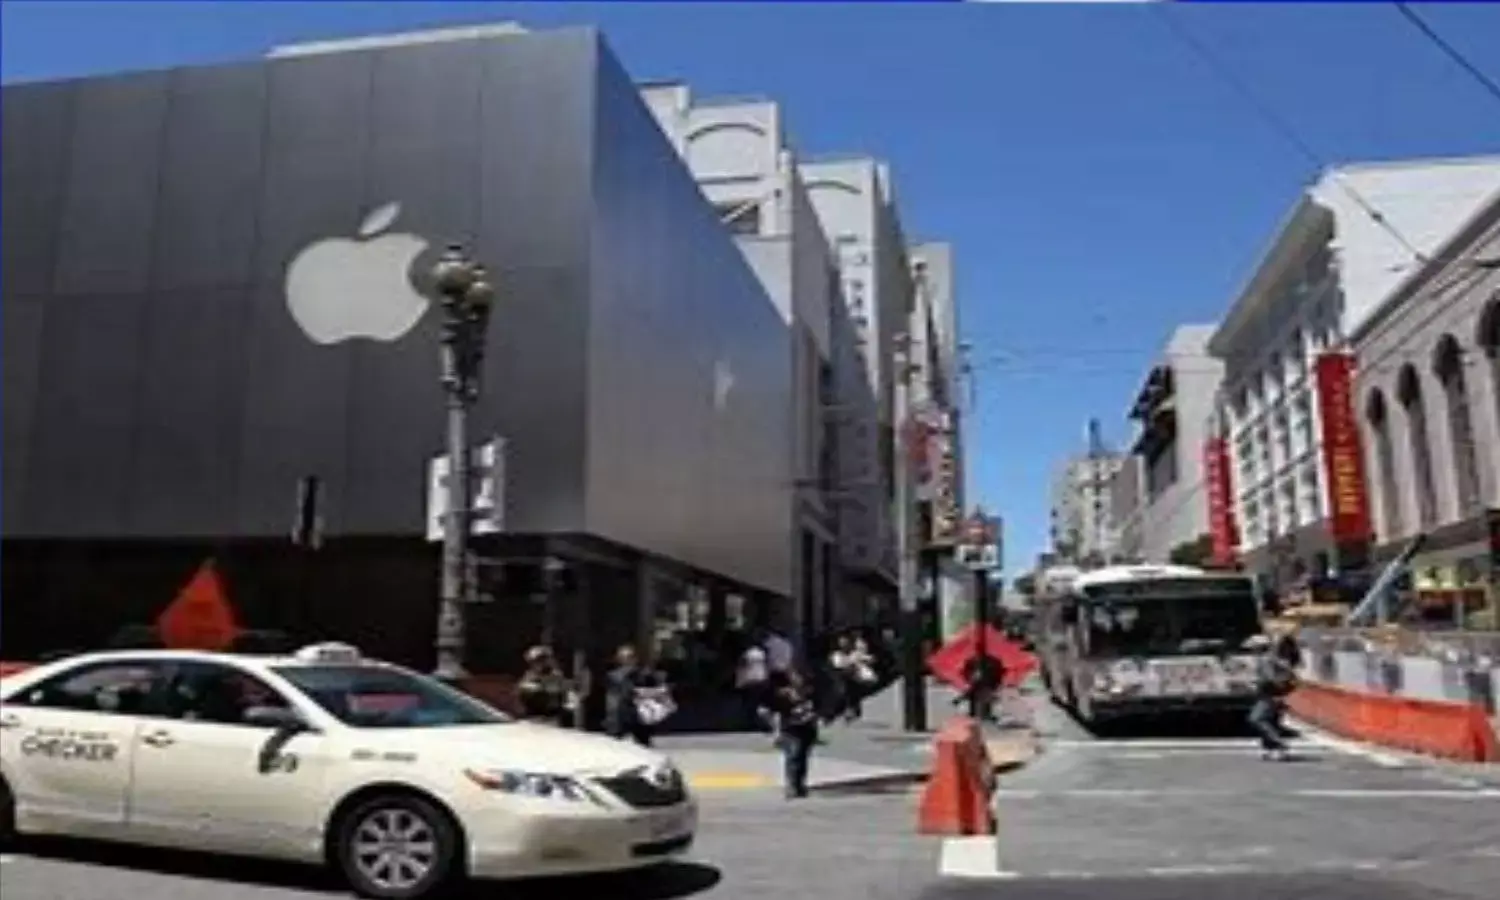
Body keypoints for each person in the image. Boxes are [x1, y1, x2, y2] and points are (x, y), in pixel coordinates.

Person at [760, 669, 821, 799]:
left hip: (807, 728)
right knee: (793, 755)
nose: (800, 681)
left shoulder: (811, 693)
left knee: (802, 757)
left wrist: (815, 721)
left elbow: (818, 709)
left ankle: (800, 784)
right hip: (790, 729)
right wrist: (775, 729)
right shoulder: (783, 695)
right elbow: (765, 710)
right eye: (797, 678)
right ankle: (791, 786)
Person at [605, 644, 672, 746]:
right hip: (620, 716)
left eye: (630, 657)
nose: (627, 660)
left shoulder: (645, 674)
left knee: (643, 745)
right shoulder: (614, 675)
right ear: (619, 660)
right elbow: (623, 693)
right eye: (624, 657)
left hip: (641, 715)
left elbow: (661, 688)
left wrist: (648, 692)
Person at [1248, 633, 1299, 761]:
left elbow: (1270, 678)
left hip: (1269, 694)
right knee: (1271, 720)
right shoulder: (1272, 658)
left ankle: (1278, 743)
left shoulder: (1264, 659)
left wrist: (1258, 684)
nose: (1251, 650)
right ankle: (1271, 749)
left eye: (1253, 647)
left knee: (1256, 719)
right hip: (1275, 694)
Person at [516, 645, 571, 726]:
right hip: (533, 719)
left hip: (553, 718)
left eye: (544, 660)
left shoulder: (557, 676)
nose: (543, 663)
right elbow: (524, 690)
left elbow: (565, 695)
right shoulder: (529, 677)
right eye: (538, 661)